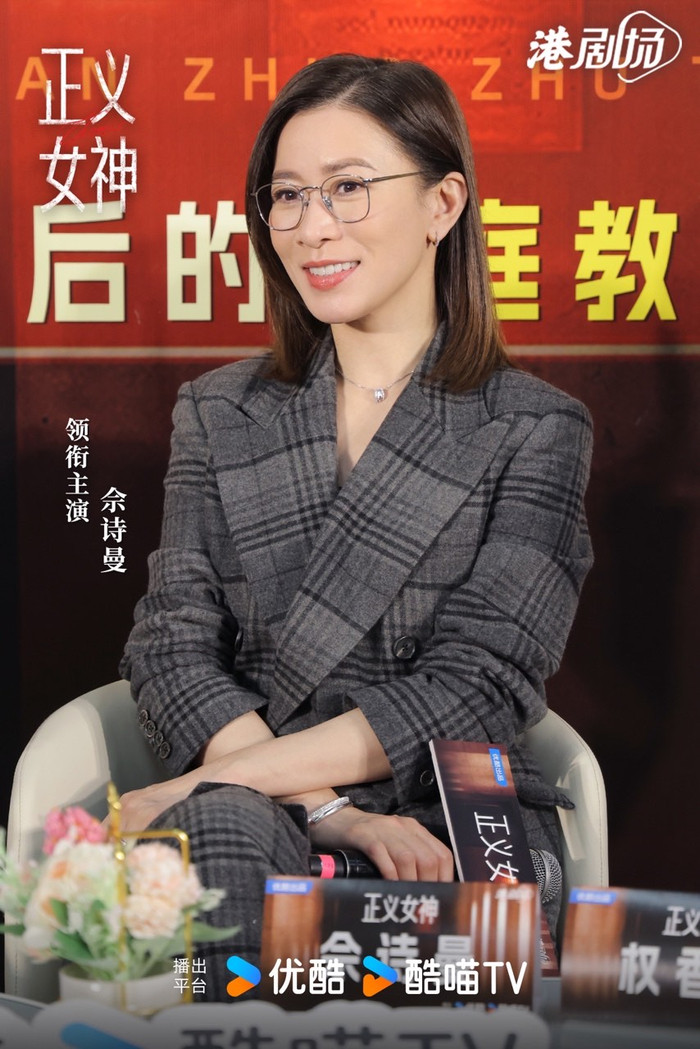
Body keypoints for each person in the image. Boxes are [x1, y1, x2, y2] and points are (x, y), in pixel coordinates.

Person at [119, 53, 593, 1000]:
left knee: (415, 890)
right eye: (288, 195)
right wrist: (327, 807)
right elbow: (171, 645)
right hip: (251, 800)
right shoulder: (218, 411)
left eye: (348, 187)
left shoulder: (534, 426)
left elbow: (477, 686)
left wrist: (209, 785)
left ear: (443, 203)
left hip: (443, 805)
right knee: (215, 835)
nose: (312, 227)